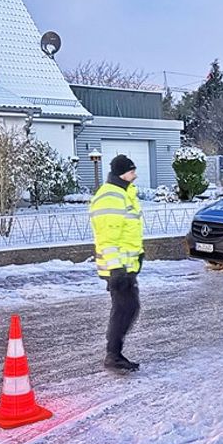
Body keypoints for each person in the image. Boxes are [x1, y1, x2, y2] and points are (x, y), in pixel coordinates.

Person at [90, 154, 144, 372]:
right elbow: (108, 239)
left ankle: (114, 353)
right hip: (118, 268)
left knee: (127, 308)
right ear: (122, 173)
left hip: (125, 266)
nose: (135, 175)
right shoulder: (110, 197)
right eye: (132, 171)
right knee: (125, 308)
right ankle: (113, 355)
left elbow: (127, 233)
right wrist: (116, 269)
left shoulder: (124, 194)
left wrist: (137, 255)